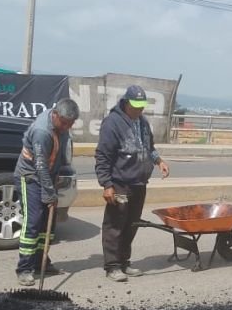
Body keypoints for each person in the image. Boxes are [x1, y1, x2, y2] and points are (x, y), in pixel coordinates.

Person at [95, 85, 170, 282]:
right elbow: (103, 156)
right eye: (135, 106)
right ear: (125, 103)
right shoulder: (112, 123)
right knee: (115, 225)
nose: (139, 110)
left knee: (131, 224)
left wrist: (159, 161)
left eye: (141, 107)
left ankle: (124, 262)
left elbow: (149, 147)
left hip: (139, 183)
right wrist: (106, 184)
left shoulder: (143, 123)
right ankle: (112, 266)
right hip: (120, 183)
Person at [13, 98, 80, 286]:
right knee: (33, 221)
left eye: (71, 123)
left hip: (49, 176)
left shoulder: (63, 127)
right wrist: (49, 192)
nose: (68, 127)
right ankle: (24, 268)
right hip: (30, 177)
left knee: (46, 224)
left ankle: (41, 262)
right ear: (55, 115)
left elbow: (57, 158)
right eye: (65, 122)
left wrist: (54, 182)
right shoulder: (42, 131)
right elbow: (40, 166)